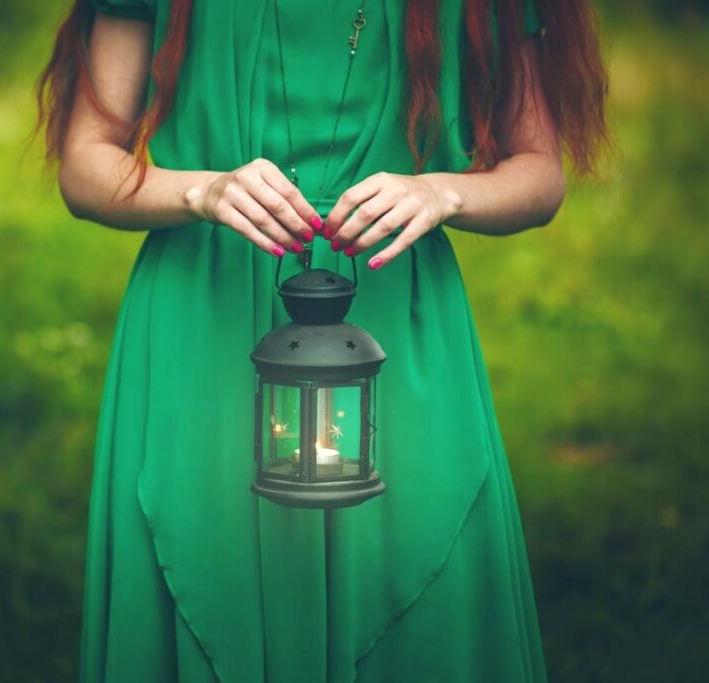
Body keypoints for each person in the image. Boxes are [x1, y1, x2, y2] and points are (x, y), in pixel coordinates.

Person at [34, 0, 609, 680]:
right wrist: (203, 191)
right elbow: (85, 163)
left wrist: (441, 193)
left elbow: (540, 172)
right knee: (207, 566)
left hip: (393, 322)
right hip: (203, 320)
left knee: (414, 590)